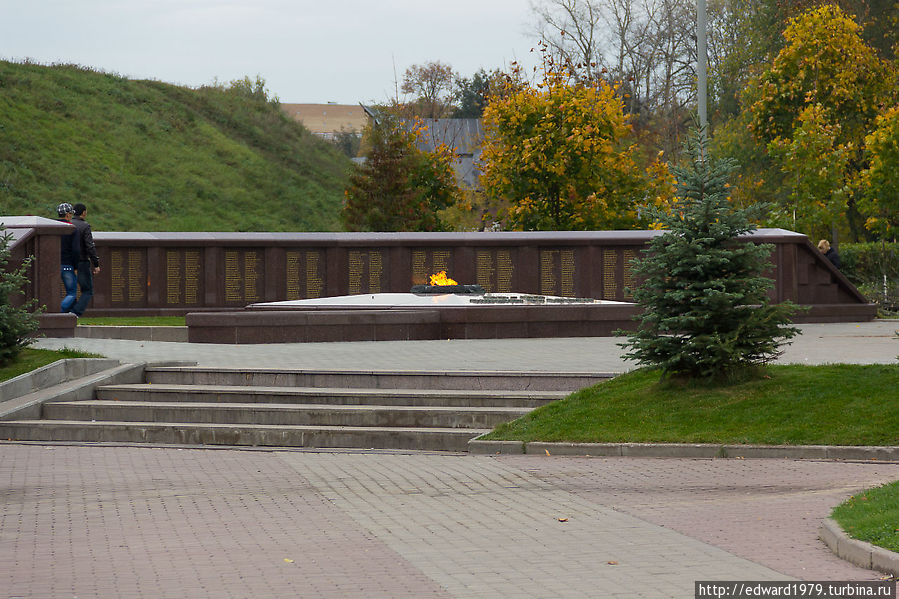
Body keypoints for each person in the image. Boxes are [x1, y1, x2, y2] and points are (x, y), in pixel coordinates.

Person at [70, 203, 101, 317]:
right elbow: (90, 246)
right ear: (84, 212)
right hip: (82, 261)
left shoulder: (68, 224)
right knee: (87, 290)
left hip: (68, 262)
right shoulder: (85, 226)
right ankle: (75, 313)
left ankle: (67, 311)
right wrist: (96, 263)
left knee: (71, 290)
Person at [56, 203, 80, 313]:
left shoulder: (52, 227)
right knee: (71, 292)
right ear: (67, 215)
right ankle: (58, 312)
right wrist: (76, 266)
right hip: (67, 264)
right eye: (71, 214)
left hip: (53, 264)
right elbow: (75, 250)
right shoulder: (72, 229)